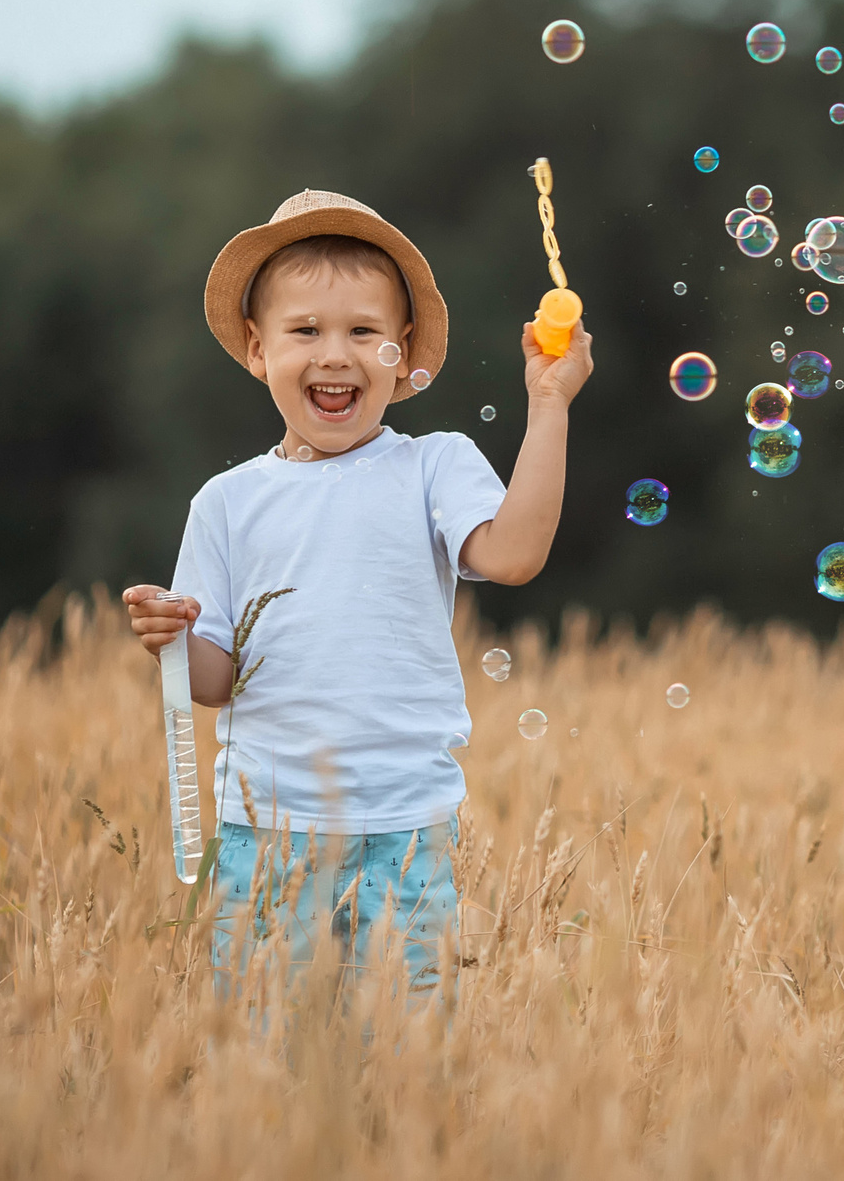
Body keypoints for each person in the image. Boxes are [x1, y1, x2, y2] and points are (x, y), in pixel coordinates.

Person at [122, 188, 592, 999]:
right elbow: (216, 681)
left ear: (401, 353)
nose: (335, 354)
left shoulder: (432, 465)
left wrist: (547, 406)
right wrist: (173, 640)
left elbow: (513, 556)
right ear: (256, 348)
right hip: (264, 830)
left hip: (405, 828)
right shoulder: (226, 501)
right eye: (305, 330)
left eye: (363, 332)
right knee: (269, 1052)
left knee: (404, 1054)